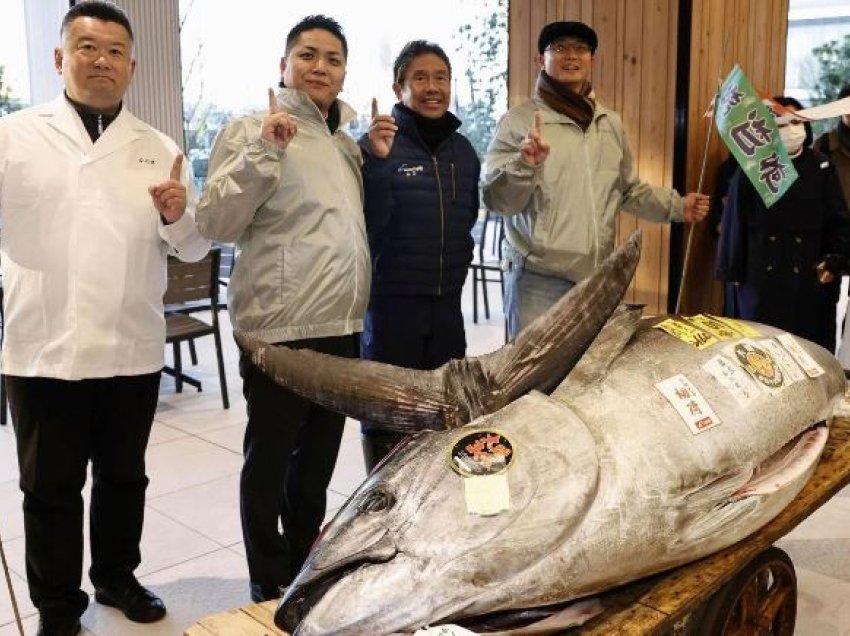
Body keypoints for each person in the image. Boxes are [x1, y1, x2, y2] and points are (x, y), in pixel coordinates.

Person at [0, 2, 209, 634]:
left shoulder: (158, 147)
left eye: (115, 50)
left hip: (129, 344)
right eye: (87, 48)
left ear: (132, 66)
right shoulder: (14, 136)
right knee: (51, 491)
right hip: (44, 347)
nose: (102, 60)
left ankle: (117, 578)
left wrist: (177, 213)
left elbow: (196, 245)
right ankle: (59, 608)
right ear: (61, 58)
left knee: (125, 477)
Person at [195, 15, 368, 603]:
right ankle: (266, 575)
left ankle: (302, 562)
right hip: (279, 329)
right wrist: (266, 151)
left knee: (316, 464)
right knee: (268, 462)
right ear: (284, 64)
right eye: (307, 55)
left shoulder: (345, 143)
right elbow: (215, 222)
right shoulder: (251, 129)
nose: (320, 67)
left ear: (345, 71)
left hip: (341, 326)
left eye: (333, 59)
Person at [483, 21, 710, 339]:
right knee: (531, 382)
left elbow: (628, 190)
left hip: (597, 280)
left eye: (581, 48)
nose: (571, 56)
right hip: (538, 280)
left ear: (592, 59)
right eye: (560, 48)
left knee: (586, 376)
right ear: (541, 59)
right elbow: (496, 200)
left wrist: (677, 206)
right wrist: (524, 164)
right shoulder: (519, 121)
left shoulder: (609, 123)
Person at [359, 40, 480, 471]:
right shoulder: (379, 145)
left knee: (448, 412)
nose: (433, 87)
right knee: (388, 415)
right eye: (421, 77)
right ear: (399, 87)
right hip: (392, 309)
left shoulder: (463, 152)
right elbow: (368, 225)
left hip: (447, 306)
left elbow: (468, 217)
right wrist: (376, 164)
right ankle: (384, 505)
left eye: (441, 77)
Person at [715, 96, 850, 352]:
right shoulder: (749, 170)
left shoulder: (821, 166)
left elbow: (839, 224)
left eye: (797, 121)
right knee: (759, 355)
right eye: (782, 123)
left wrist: (834, 263)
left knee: (807, 354)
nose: (792, 128)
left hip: (808, 282)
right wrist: (731, 275)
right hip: (760, 283)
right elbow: (733, 230)